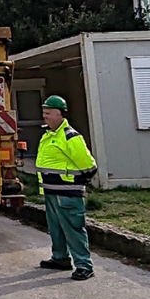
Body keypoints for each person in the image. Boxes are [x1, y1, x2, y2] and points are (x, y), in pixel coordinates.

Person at [35, 95, 98, 281]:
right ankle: (60, 258)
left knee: (73, 229)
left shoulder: (70, 137)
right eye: (44, 112)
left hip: (67, 194)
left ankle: (84, 266)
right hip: (52, 192)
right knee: (56, 229)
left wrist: (74, 184)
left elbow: (89, 166)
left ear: (59, 114)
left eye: (48, 112)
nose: (44, 115)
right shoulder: (49, 135)